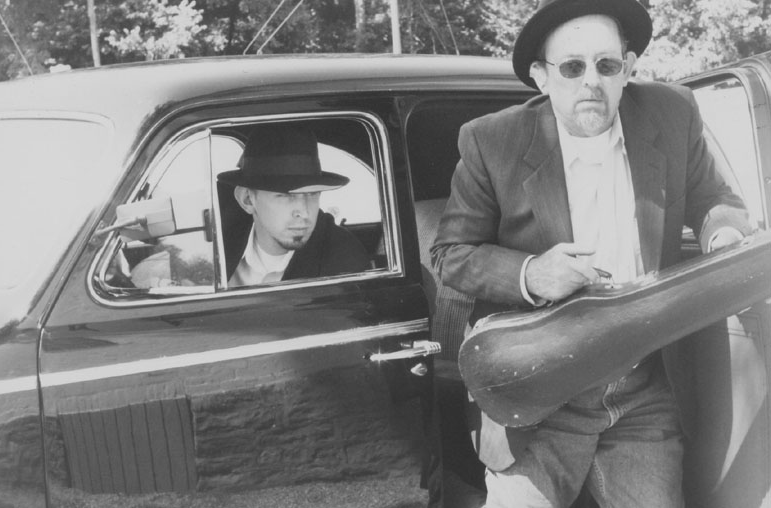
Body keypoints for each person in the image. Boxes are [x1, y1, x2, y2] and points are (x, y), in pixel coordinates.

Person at [430, 0, 753, 507]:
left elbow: (715, 199)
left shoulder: (672, 113)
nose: (591, 82)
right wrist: (532, 273)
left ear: (628, 67)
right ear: (541, 77)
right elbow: (450, 254)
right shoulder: (491, 140)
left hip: (643, 391)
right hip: (540, 394)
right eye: (572, 67)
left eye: (606, 65)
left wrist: (724, 239)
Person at [217, 123, 370, 286]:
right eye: (286, 195)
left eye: (312, 194)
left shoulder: (343, 260)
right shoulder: (218, 237)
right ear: (247, 200)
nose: (304, 212)